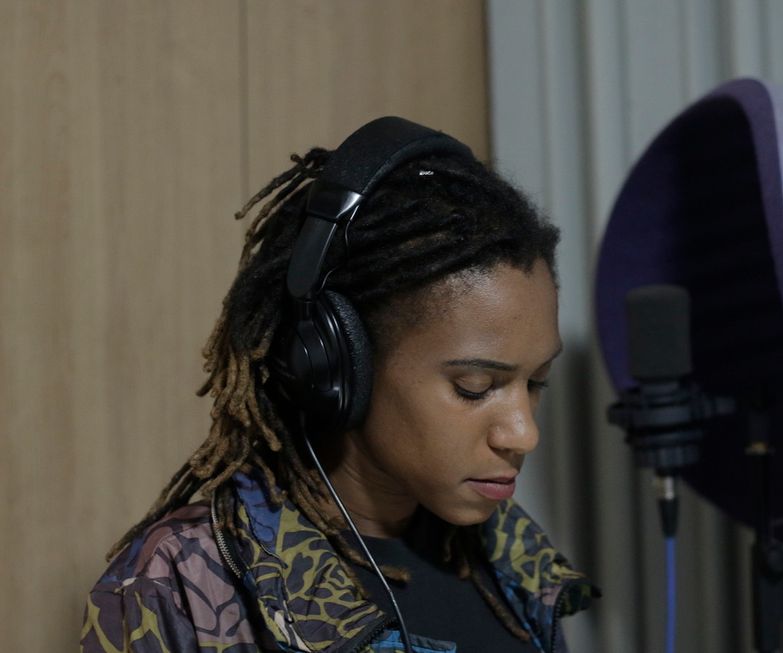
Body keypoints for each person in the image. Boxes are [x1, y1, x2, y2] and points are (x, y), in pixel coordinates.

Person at [80, 117, 598, 653]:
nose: (523, 433)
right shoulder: (186, 580)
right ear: (338, 367)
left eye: (537, 382)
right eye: (473, 386)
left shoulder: (513, 561)